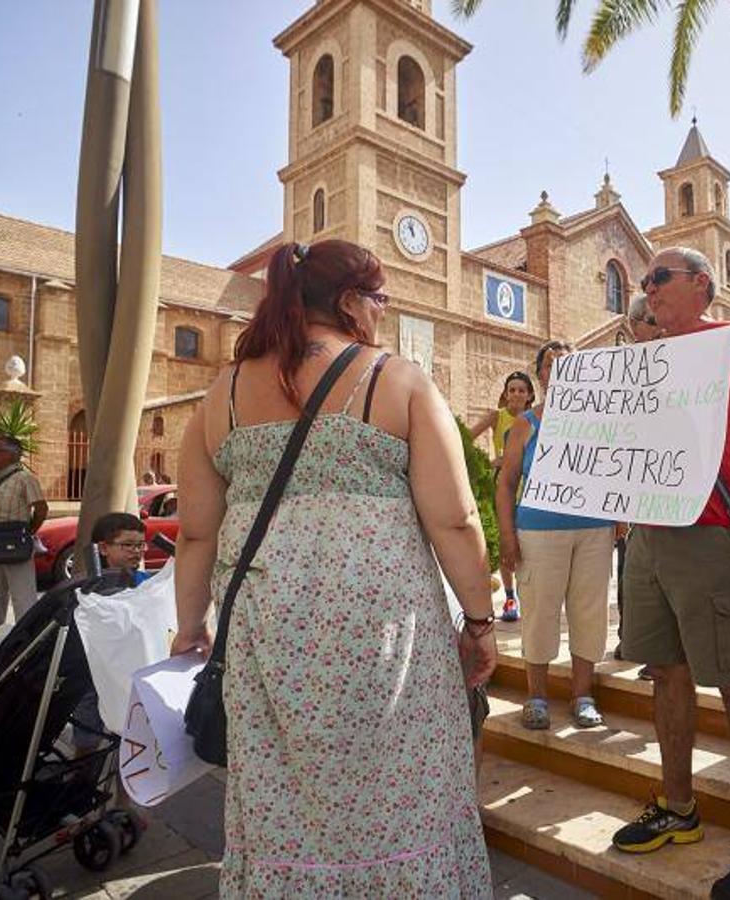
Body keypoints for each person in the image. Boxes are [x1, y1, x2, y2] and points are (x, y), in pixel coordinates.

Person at [170, 240, 494, 897]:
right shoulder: (394, 379)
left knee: (284, 792)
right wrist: (481, 621)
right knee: (398, 782)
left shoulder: (222, 393)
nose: (382, 313)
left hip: (265, 626)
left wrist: (188, 626)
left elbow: (196, 530)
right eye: (379, 299)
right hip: (383, 631)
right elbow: (455, 519)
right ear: (349, 302)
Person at [612, 247, 730, 900]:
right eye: (643, 283)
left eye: (657, 279)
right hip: (647, 535)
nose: (646, 290)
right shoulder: (640, 361)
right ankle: (677, 807)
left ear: (701, 285)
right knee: (666, 672)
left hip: (709, 535)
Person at [495, 340, 611, 731]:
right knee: (541, 615)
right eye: (550, 365)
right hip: (540, 534)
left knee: (589, 614)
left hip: (594, 531)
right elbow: (507, 483)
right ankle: (537, 697)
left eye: (568, 363)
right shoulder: (527, 424)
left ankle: (583, 696)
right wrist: (507, 535)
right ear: (540, 375)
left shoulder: (600, 420)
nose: (559, 370)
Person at [468, 370, 535, 622]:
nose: (516, 394)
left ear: (529, 395)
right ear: (505, 394)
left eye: (521, 390)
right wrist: (488, 463)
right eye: (512, 389)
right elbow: (464, 437)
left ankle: (525, 595)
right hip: (505, 488)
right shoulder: (497, 417)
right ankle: (510, 599)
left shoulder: (536, 418)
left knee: (529, 547)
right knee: (508, 546)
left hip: (530, 490)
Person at [617, 293, 662, 669]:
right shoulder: (616, 372)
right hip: (636, 509)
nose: (660, 326)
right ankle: (636, 645)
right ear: (633, 326)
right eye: (651, 320)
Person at [0, 436, 47, 629]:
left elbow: (41, 509)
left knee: (23, 596)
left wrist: (28, 532)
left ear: (11, 455)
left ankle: (27, 638)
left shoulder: (24, 479)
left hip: (15, 544)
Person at [91, 511, 150, 585]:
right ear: (103, 548)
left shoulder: (148, 582)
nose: (137, 551)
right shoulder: (90, 587)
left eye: (140, 545)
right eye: (128, 545)